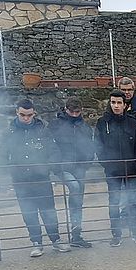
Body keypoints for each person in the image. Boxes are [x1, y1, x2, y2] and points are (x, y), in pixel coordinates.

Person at [1, 99, 69, 257]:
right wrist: (9, 170)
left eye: (29, 115)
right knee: (28, 211)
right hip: (21, 180)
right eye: (23, 115)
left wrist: (48, 166)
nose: (26, 118)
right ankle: (36, 243)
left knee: (48, 210)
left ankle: (55, 240)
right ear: (17, 113)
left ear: (34, 113)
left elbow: (54, 151)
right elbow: (1, 155)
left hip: (41, 178)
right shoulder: (9, 132)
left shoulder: (42, 129)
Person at [95, 90, 136, 246]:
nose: (116, 106)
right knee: (114, 202)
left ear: (125, 105)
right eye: (113, 102)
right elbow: (98, 145)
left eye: (119, 103)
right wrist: (106, 163)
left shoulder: (132, 122)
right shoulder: (102, 122)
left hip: (131, 170)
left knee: (133, 201)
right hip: (112, 171)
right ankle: (116, 234)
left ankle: (135, 232)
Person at [48, 97, 96, 248]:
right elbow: (49, 145)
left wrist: (87, 162)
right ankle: (69, 233)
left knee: (78, 200)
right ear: (66, 109)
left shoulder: (84, 126)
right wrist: (56, 165)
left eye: (77, 112)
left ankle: (76, 235)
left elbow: (90, 145)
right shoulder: (55, 125)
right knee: (74, 188)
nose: (75, 115)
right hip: (62, 167)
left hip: (80, 167)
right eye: (72, 112)